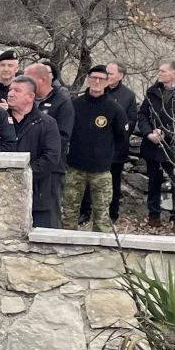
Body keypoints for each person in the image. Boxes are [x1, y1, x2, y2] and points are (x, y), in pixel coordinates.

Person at [63, 65, 129, 228]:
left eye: (101, 79)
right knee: (69, 211)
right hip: (75, 167)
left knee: (102, 213)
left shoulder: (114, 109)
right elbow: (65, 131)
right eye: (94, 78)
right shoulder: (75, 105)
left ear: (107, 82)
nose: (97, 82)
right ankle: (67, 240)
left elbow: (121, 137)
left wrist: (106, 155)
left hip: (101, 170)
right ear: (87, 80)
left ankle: (102, 243)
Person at [136, 59, 175, 226]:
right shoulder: (153, 91)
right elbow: (142, 114)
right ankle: (153, 217)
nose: (159, 74)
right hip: (152, 144)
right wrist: (149, 133)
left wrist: (166, 132)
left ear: (174, 74)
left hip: (173, 147)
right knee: (153, 181)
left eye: (162, 71)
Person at [0, 75, 64, 228]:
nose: (11, 94)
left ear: (30, 97)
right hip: (2, 194)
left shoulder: (47, 123)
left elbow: (51, 157)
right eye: (10, 90)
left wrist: (23, 175)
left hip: (37, 196)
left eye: (17, 91)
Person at [101, 62, 137, 225]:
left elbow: (131, 121)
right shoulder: (98, 90)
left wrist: (117, 134)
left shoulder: (128, 96)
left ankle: (112, 213)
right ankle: (86, 212)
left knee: (114, 182)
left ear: (120, 75)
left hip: (116, 148)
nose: (107, 76)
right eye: (106, 72)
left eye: (110, 73)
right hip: (95, 146)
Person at [24, 60, 76, 140]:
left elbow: (63, 136)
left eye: (30, 80)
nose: (25, 83)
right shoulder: (24, 98)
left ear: (43, 79)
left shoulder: (62, 102)